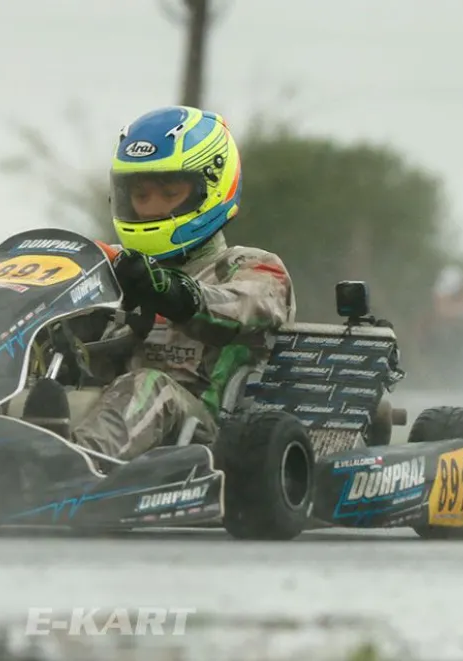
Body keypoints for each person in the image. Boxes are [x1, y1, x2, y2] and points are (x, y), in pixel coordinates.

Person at [66, 105, 296, 460]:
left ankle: (73, 470)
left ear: (211, 188)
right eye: (142, 196)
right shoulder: (113, 267)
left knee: (149, 385)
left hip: (212, 432)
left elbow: (239, 308)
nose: (153, 208)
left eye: (169, 192)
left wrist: (169, 291)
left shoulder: (253, 267)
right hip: (114, 414)